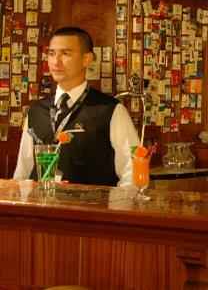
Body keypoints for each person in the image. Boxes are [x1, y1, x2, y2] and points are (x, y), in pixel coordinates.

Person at [13, 27, 139, 187]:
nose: (56, 61)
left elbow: (132, 173)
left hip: (92, 203)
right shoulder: (36, 111)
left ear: (87, 59)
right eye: (51, 53)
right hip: (41, 202)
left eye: (65, 53)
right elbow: (23, 171)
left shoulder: (111, 110)